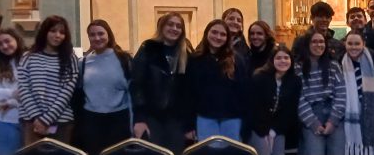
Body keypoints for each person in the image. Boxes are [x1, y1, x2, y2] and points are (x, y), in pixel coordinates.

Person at [131, 12, 194, 154]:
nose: (174, 28)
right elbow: (137, 85)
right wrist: (139, 118)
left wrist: (190, 124)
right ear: (162, 26)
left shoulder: (186, 52)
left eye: (179, 26)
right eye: (170, 24)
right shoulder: (148, 48)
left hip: (177, 119)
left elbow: (190, 91)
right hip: (152, 116)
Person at [75, 20, 133, 155]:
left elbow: (132, 91)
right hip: (92, 119)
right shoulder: (83, 62)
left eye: (101, 33)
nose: (97, 38)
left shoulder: (124, 59)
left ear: (109, 34)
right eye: (92, 35)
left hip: (119, 118)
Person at [18, 15, 79, 144]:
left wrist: (46, 119)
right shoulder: (28, 56)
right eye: (53, 31)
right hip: (32, 120)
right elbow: (23, 88)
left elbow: (68, 90)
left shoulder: (69, 58)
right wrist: (37, 118)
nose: (57, 35)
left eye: (62, 32)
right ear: (45, 32)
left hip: (61, 120)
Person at [186, 19, 250, 140]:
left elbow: (244, 93)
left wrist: (245, 123)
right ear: (207, 34)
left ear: (227, 38)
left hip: (232, 118)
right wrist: (189, 125)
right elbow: (189, 94)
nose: (218, 37)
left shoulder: (237, 59)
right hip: (205, 117)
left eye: (223, 34)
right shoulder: (195, 59)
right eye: (214, 32)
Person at [341, 31, 374, 155]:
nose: (353, 47)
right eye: (350, 43)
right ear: (345, 44)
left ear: (363, 44)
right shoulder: (341, 64)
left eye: (357, 43)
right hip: (350, 123)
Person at [297, 30, 346, 155]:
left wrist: (332, 120)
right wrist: (313, 123)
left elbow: (341, 93)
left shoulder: (333, 65)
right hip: (311, 114)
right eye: (314, 42)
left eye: (321, 42)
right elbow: (299, 98)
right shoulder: (298, 67)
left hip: (333, 114)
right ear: (307, 45)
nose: (318, 45)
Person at [249, 45, 302, 155]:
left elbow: (290, 111)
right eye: (278, 58)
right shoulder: (259, 77)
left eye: (286, 58)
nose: (283, 61)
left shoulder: (295, 81)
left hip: (279, 127)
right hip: (257, 127)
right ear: (272, 60)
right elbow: (254, 108)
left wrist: (274, 130)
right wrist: (265, 132)